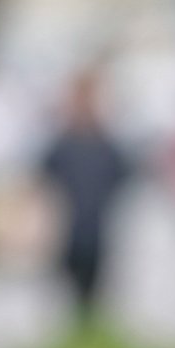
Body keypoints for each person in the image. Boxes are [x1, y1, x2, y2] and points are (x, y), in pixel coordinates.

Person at [39, 69, 134, 322]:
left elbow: (123, 179)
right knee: (69, 293)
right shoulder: (62, 144)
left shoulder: (106, 144)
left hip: (98, 230)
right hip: (68, 230)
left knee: (95, 293)